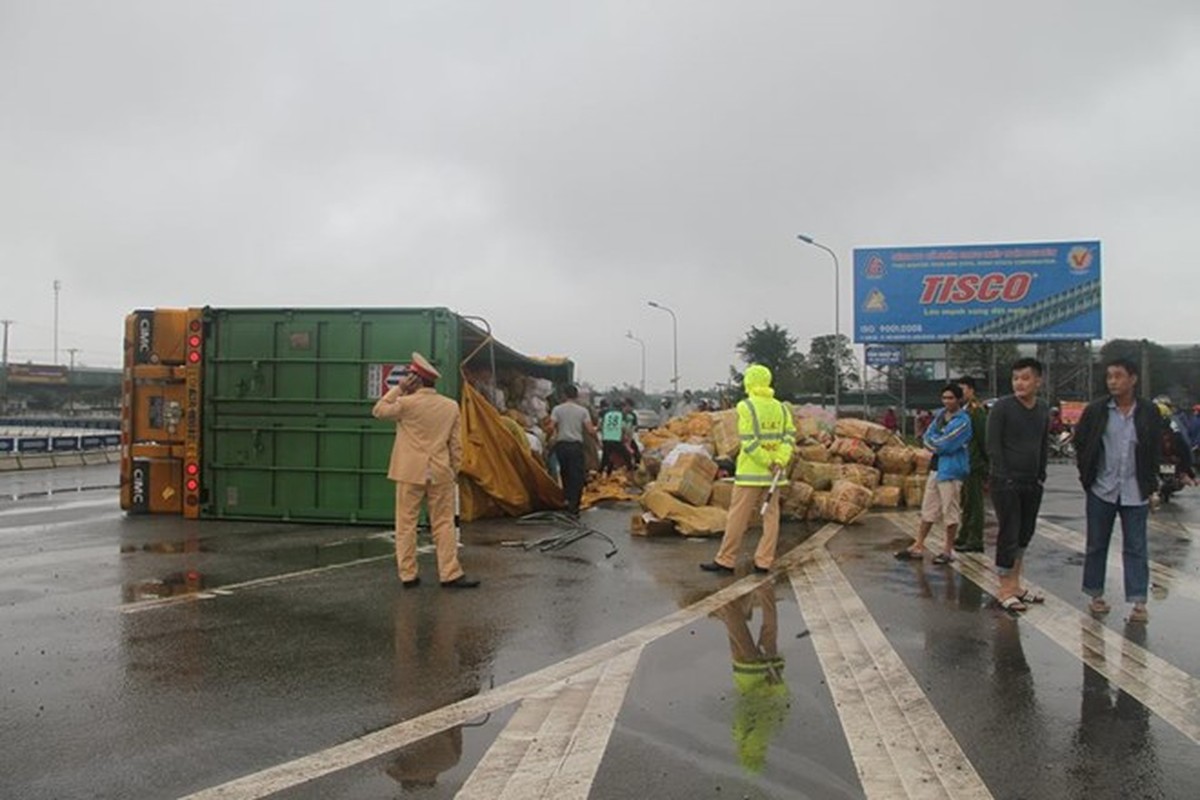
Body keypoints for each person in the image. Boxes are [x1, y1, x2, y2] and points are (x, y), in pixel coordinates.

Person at [372, 352, 479, 589]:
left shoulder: (406, 404)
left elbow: (379, 410)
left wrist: (398, 389)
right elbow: (456, 444)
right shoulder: (450, 406)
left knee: (406, 524)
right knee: (443, 523)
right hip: (440, 471)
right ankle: (450, 573)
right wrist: (454, 470)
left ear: (414, 380)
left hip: (408, 472)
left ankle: (408, 575)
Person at [1073, 358, 1165, 622]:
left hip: (1135, 491)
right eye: (1109, 376)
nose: (1112, 381)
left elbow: (1154, 447)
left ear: (1133, 379)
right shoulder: (1096, 410)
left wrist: (1151, 484)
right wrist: (1087, 477)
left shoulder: (1148, 411)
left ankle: (1138, 602)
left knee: (1136, 546)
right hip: (1102, 489)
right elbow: (1081, 442)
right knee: (1096, 544)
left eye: (1118, 376)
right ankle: (1095, 594)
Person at [701, 364, 796, 574]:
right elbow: (789, 437)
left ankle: (726, 560)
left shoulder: (746, 407)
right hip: (774, 475)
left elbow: (749, 441)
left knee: (738, 517)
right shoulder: (782, 408)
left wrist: (766, 460)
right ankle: (764, 561)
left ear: (750, 382)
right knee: (771, 519)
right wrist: (779, 459)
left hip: (751, 474)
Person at [987, 357, 1050, 612]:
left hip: (1032, 481)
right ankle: (1004, 589)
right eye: (1015, 378)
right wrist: (1004, 475)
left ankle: (1016, 585)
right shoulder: (1002, 407)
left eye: (1025, 378)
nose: (1019, 383)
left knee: (1025, 534)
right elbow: (993, 445)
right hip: (1006, 482)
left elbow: (1043, 444)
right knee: (1009, 532)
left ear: (1038, 381)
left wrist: (1041, 474)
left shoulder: (1043, 408)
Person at [895, 384, 972, 564]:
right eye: (944, 398)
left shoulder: (963, 421)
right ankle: (919, 545)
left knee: (949, 511)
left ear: (959, 399)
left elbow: (945, 445)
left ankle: (948, 549)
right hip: (936, 468)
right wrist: (933, 443)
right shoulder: (939, 417)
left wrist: (933, 444)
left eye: (951, 398)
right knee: (928, 509)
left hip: (952, 471)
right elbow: (927, 436)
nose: (947, 401)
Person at [953, 376, 989, 553]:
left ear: (971, 390)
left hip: (974, 463)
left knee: (975, 503)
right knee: (966, 502)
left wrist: (986, 464)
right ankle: (964, 535)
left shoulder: (977, 411)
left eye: (963, 389)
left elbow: (984, 439)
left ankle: (975, 539)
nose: (960, 393)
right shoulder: (962, 411)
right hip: (963, 463)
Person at [549, 384, 597, 516]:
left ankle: (567, 499)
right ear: (576, 396)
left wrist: (550, 438)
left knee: (565, 473)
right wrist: (597, 441)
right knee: (576, 475)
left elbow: (551, 426)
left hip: (561, 446)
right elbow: (590, 430)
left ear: (564, 395)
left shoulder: (557, 409)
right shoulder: (582, 411)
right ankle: (574, 505)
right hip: (575, 446)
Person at [599, 398, 631, 476]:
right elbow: (623, 428)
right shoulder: (622, 415)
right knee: (626, 455)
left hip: (606, 439)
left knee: (606, 457)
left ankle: (601, 474)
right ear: (621, 407)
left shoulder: (606, 414)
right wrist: (625, 439)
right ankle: (630, 471)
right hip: (616, 439)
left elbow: (600, 426)